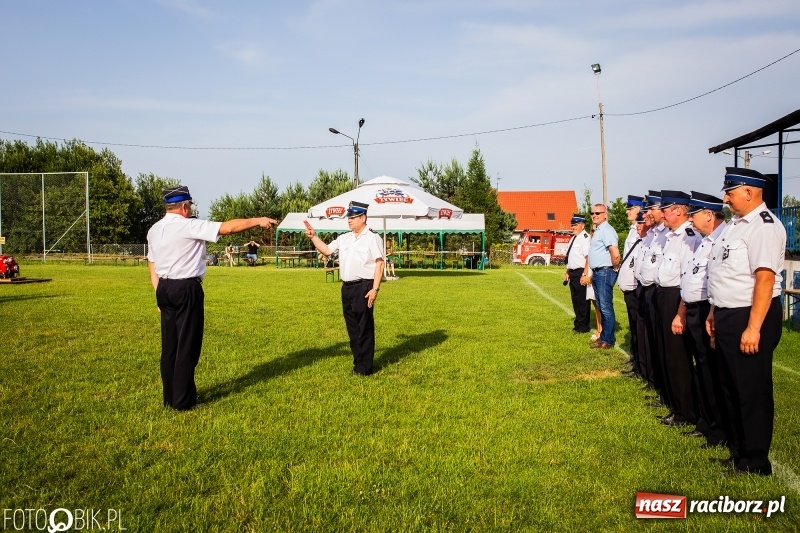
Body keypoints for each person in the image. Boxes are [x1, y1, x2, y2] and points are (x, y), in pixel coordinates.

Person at [147, 185, 277, 411]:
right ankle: (184, 401)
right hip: (186, 287)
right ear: (185, 206)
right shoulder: (190, 225)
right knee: (187, 345)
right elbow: (227, 228)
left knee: (170, 346)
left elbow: (152, 262)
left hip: (164, 287)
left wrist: (158, 292)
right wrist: (258, 220)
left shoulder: (155, 229)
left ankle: (170, 398)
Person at [706, 167, 786, 476]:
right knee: (730, 387)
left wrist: (752, 328)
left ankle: (755, 460)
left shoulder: (763, 227)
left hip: (751, 315)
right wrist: (714, 312)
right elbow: (722, 273)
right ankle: (739, 451)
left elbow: (764, 279)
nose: (725, 197)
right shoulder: (735, 226)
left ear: (749, 192)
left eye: (730, 191)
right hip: (728, 313)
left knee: (750, 390)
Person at [305, 201, 385, 376]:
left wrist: (375, 289)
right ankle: (358, 363)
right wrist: (313, 237)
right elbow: (327, 250)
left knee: (364, 328)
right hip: (347, 288)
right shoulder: (345, 238)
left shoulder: (372, 238)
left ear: (363, 218)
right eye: (348, 217)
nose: (349, 220)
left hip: (364, 286)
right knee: (352, 328)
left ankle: (365, 368)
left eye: (353, 217)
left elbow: (379, 264)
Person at [678, 191, 729, 448]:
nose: (690, 220)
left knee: (710, 371)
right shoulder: (705, 240)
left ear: (709, 215)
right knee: (702, 369)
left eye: (693, 215)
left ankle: (717, 428)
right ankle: (705, 422)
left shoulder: (722, 239)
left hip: (707, 310)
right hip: (697, 310)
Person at [655, 190, 701, 428]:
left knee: (678, 356)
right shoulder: (672, 236)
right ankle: (675, 403)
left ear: (679, 210)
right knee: (667, 353)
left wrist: (680, 311)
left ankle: (686, 411)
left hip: (677, 298)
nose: (661, 213)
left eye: (665, 209)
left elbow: (687, 277)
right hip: (664, 295)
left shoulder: (689, 237)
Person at [581, 203, 620, 349]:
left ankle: (608, 340)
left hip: (604, 271)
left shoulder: (607, 230)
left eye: (598, 213)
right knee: (601, 306)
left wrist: (614, 267)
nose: (594, 216)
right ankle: (603, 336)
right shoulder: (598, 230)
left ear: (605, 214)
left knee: (605, 307)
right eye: (592, 213)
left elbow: (615, 253)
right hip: (598, 271)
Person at [617, 210, 649, 378]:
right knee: (636, 328)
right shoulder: (635, 233)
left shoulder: (648, 239)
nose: (637, 226)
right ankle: (637, 363)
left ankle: (643, 368)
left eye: (640, 222)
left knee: (641, 329)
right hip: (631, 288)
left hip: (638, 289)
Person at [563, 214, 591, 334]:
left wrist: (585, 274)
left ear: (582, 225)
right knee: (575, 300)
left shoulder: (585, 238)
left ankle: (583, 326)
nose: (573, 227)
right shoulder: (574, 238)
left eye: (575, 225)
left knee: (582, 301)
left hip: (580, 272)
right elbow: (571, 257)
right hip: (573, 272)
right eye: (572, 225)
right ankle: (578, 325)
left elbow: (588, 258)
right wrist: (567, 272)